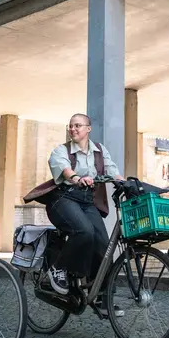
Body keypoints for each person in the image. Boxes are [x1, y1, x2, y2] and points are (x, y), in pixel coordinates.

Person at [43, 113, 124, 316]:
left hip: (87, 201)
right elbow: (65, 170)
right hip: (64, 199)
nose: (73, 129)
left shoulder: (99, 150)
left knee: (104, 247)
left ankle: (104, 299)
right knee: (84, 231)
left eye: (78, 125)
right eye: (71, 126)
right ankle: (57, 269)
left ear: (88, 129)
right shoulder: (61, 150)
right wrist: (78, 177)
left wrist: (124, 182)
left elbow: (111, 169)